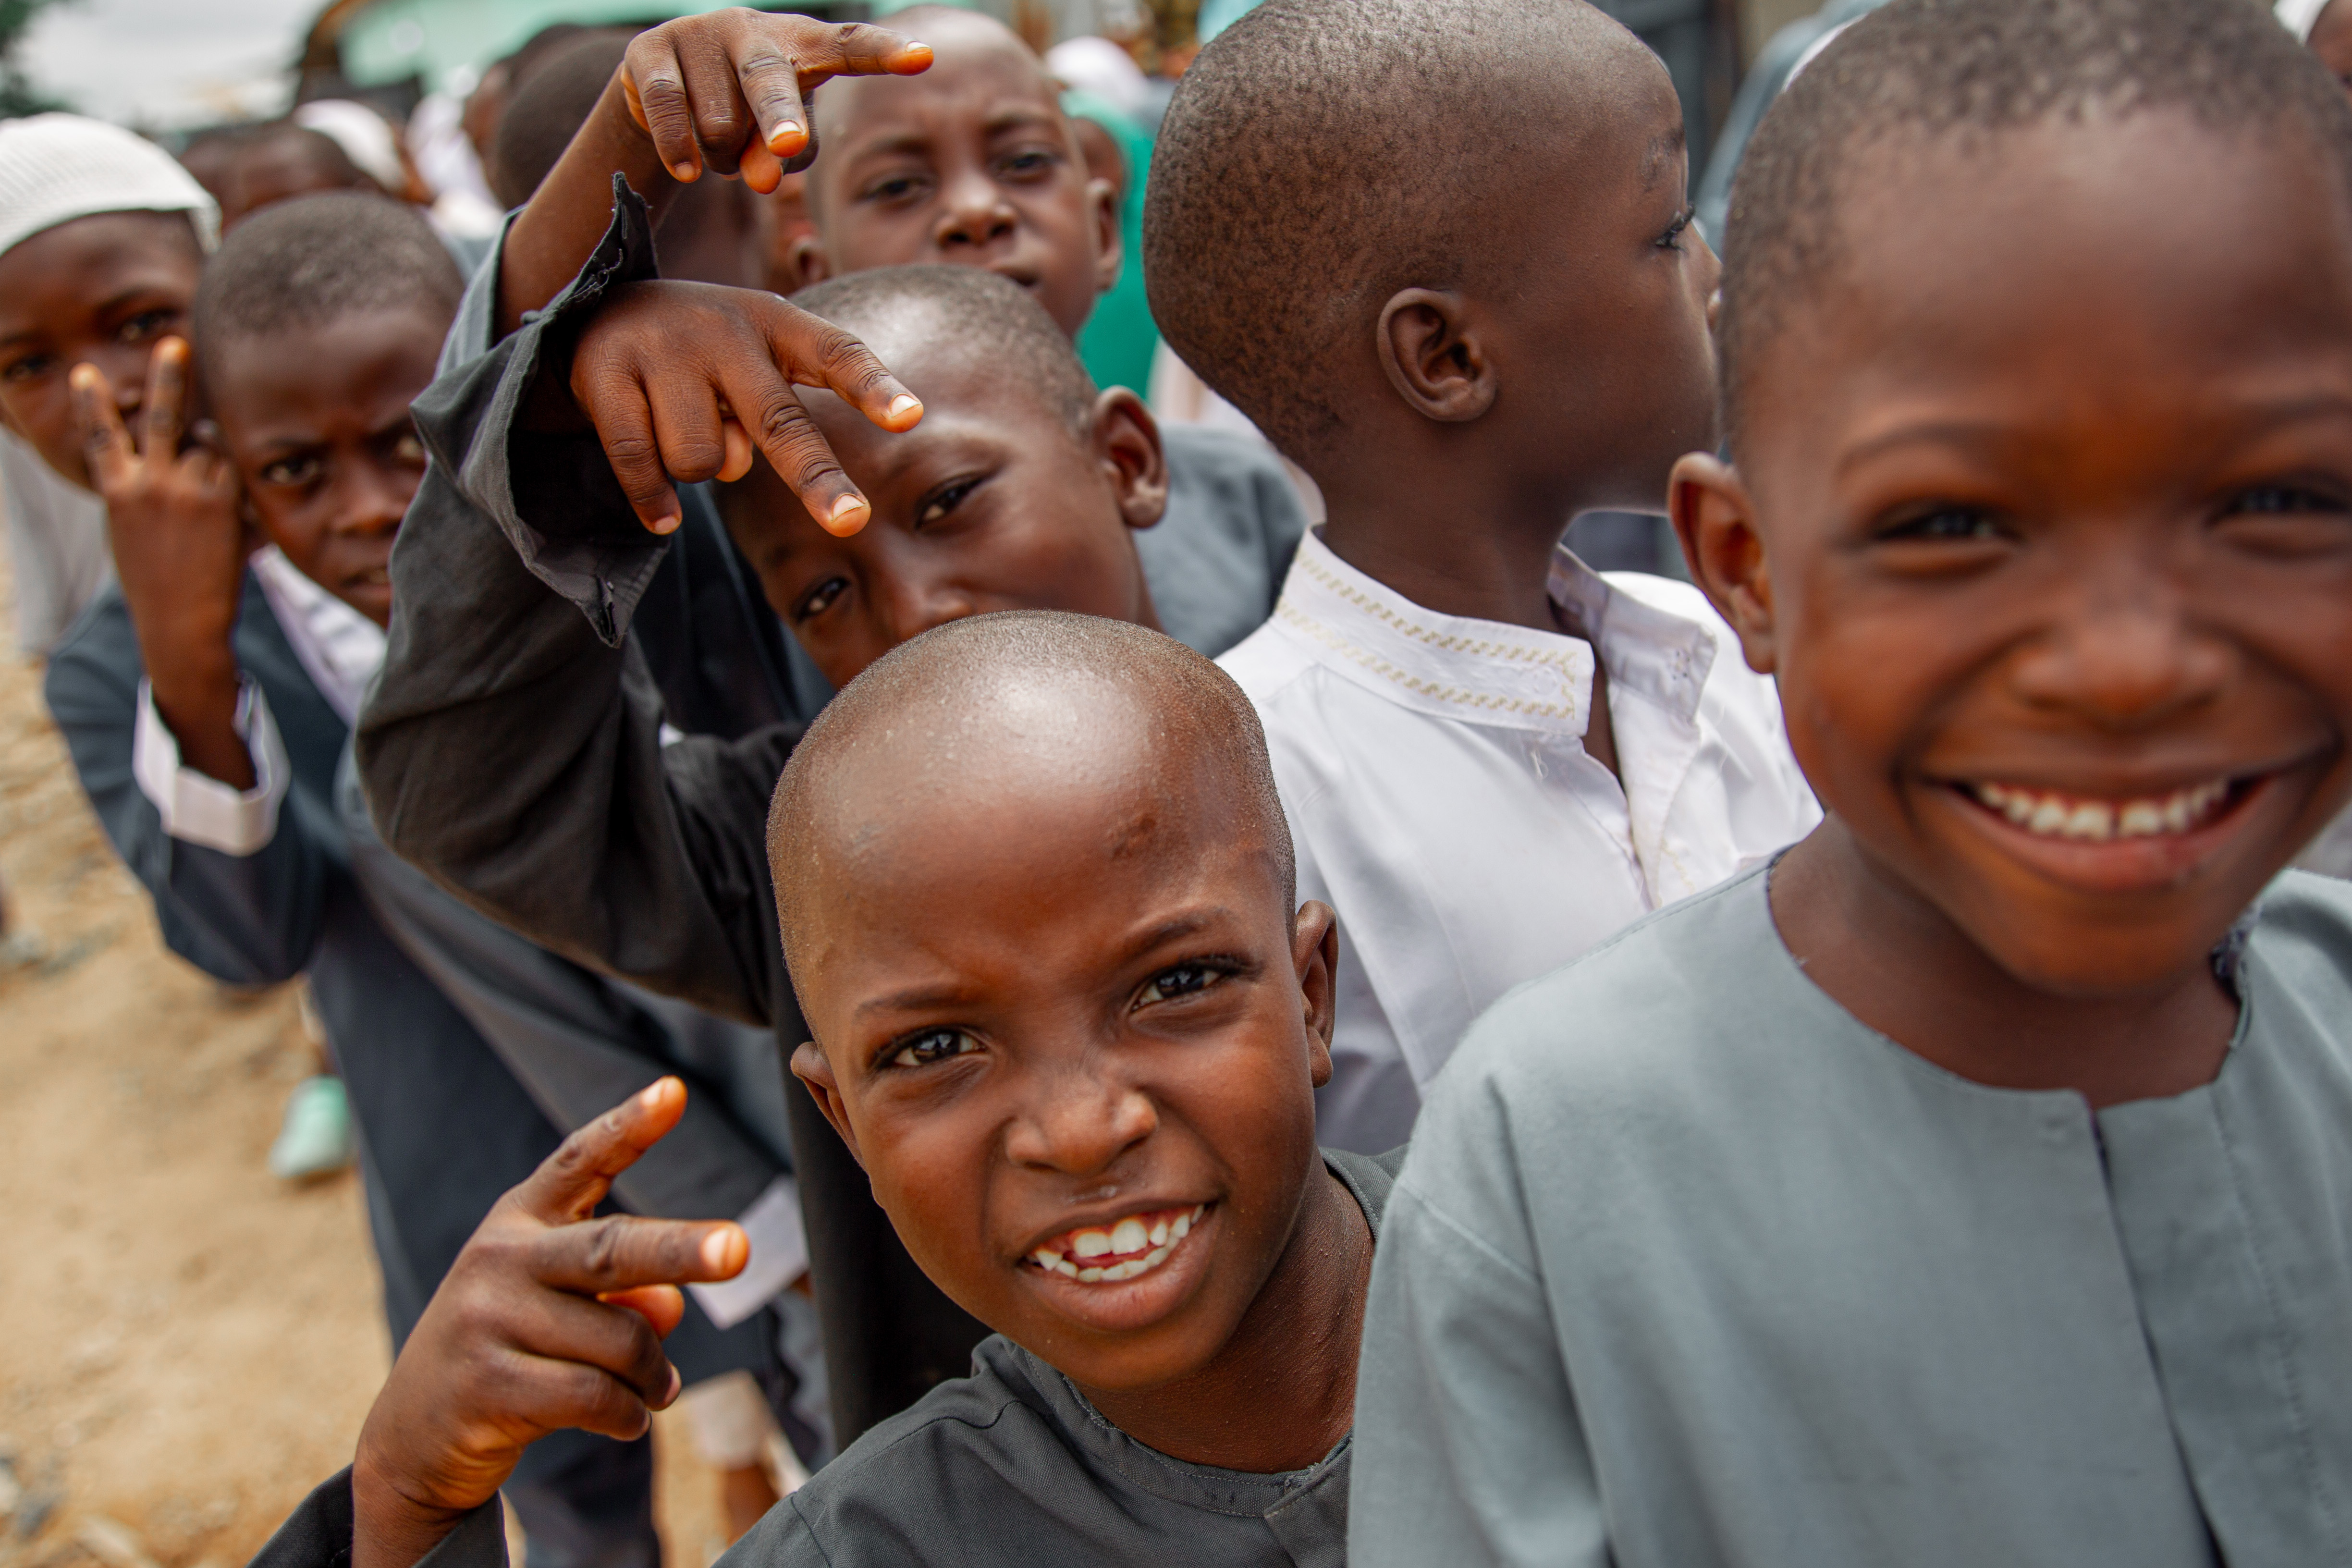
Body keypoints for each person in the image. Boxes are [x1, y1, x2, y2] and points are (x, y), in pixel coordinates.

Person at [1352, 1, 2352, 1563]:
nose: (2127, 667)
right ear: (1746, 570)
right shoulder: (1554, 1170)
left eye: (2278, 501)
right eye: (1951, 526)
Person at [271, 612, 1391, 1568]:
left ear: (1310, 996)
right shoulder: (866, 1547)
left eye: (1177, 985)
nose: (1081, 1130)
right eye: (935, 1047)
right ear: (844, 1126)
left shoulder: (1503, 1261)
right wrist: (403, 1509)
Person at [36, 191, 779, 1568]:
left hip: (729, 1097)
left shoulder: (600, 514)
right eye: (296, 471)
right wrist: (188, 660)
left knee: (811, 1402)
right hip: (474, 1152)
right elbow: (247, 943)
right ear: (236, 461)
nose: (370, 507)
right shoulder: (122, 663)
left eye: (399, 445)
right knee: (566, 1493)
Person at [1144, 0, 1820, 1152]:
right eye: (1668, 233)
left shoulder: (1721, 647)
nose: (1716, 273)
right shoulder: (1256, 791)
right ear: (1447, 357)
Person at [775, 4, 1310, 653]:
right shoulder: (809, 547)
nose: (976, 211)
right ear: (818, 280)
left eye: (1024, 162)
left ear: (1104, 230)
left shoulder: (1238, 494)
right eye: (898, 187)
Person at [0, 115, 216, 657]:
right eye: (28, 367)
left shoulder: (380, 521)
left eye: (142, 325)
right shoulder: (95, 675)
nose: (108, 397)